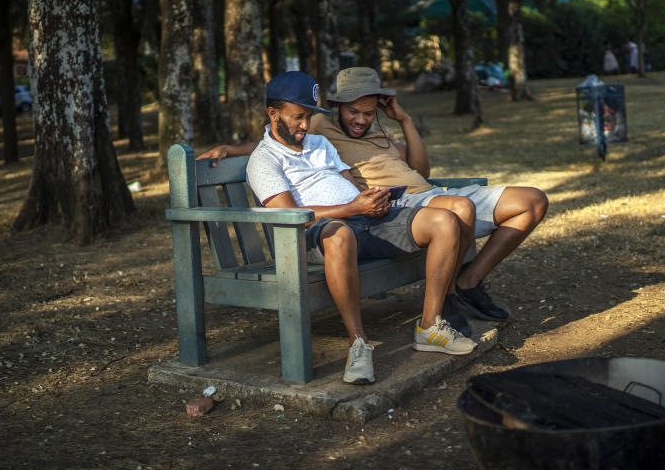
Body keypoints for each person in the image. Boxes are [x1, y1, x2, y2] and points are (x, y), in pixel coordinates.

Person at [200, 67, 549, 336]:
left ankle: (459, 290)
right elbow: (280, 140)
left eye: (369, 112)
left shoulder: (371, 131)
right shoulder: (320, 126)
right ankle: (445, 301)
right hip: (366, 217)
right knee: (458, 210)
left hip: (402, 203)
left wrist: (404, 120)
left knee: (527, 202)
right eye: (354, 111)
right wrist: (233, 149)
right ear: (337, 107)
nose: (361, 119)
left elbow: (419, 170)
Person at [244, 71, 476, 385]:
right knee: (340, 235)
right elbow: (290, 214)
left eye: (308, 116)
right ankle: (358, 343)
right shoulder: (264, 160)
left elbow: (349, 184)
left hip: (363, 220)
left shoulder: (319, 143)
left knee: (445, 221)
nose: (304, 125)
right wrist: (351, 208)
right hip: (315, 234)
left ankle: (430, 326)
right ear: (273, 113)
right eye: (298, 117)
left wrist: (369, 199)